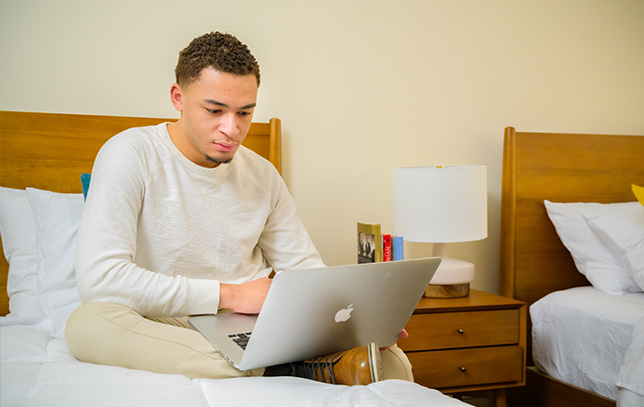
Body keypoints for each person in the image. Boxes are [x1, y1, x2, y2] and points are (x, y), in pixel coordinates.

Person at [65, 31, 413, 385]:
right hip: (163, 322)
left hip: (253, 323)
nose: (232, 129)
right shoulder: (129, 153)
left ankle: (271, 362)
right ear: (177, 97)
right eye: (215, 110)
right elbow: (100, 280)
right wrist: (231, 294)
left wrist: (362, 316)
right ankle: (286, 369)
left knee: (392, 363)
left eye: (245, 113)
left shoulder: (262, 174)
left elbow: (304, 269)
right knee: (88, 325)